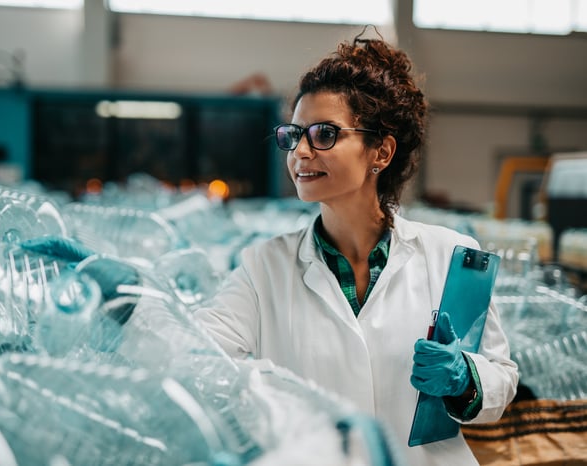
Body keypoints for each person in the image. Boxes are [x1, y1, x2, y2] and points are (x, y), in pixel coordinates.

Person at [195, 30, 518, 465]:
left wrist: (465, 380)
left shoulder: (453, 257)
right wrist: (132, 304)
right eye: (293, 135)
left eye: (324, 134)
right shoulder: (264, 265)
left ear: (380, 152)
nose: (301, 153)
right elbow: (194, 353)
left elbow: (502, 379)